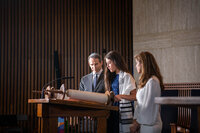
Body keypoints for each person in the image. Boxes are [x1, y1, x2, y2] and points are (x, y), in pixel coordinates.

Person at [130, 51, 163, 133]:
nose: (136, 65)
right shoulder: (146, 81)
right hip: (144, 123)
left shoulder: (153, 81)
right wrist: (135, 120)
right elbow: (140, 105)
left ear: (143, 64)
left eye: (137, 63)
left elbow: (148, 106)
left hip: (151, 125)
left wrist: (137, 123)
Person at [104, 51, 136, 133]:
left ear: (116, 61)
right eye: (106, 64)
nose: (107, 66)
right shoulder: (111, 76)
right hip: (112, 112)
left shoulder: (127, 76)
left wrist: (121, 96)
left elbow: (135, 96)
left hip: (122, 112)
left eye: (109, 63)